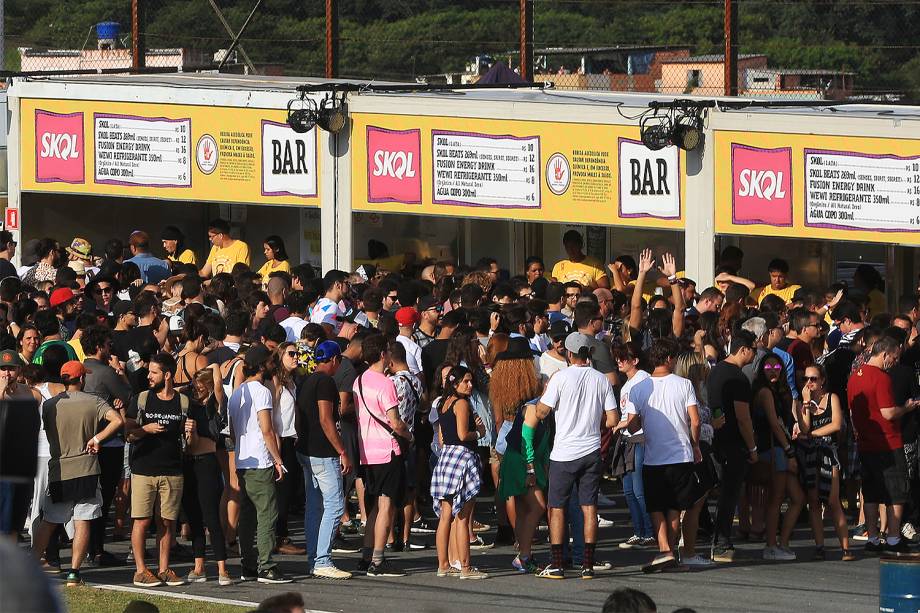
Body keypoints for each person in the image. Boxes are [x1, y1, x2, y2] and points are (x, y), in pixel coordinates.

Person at [30, 360, 123, 588]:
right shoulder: (93, 401)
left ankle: (30, 566)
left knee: (49, 520)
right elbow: (117, 420)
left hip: (60, 468)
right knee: (83, 520)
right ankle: (74, 573)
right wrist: (97, 438)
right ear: (81, 379)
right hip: (87, 468)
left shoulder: (51, 405)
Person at [535, 332, 618, 580]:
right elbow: (613, 419)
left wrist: (544, 396)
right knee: (589, 507)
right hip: (591, 450)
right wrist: (594, 419)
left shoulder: (560, 378)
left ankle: (558, 563)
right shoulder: (601, 380)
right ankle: (588, 564)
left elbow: (541, 412)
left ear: (570, 354)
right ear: (589, 353)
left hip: (564, 452)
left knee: (557, 508)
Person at [620, 338, 708, 572]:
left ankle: (664, 551)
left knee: (656, 506)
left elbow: (630, 425)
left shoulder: (638, 388)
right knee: (675, 508)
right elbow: (696, 421)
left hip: (653, 457)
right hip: (681, 454)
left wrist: (638, 421)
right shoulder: (684, 385)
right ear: (670, 359)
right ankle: (669, 553)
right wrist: (695, 444)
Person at [847, 336, 919, 554]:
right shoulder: (881, 378)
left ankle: (873, 537)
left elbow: (853, 412)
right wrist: (907, 407)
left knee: (871, 493)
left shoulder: (854, 377)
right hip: (887, 442)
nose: (895, 362)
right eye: (894, 357)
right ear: (885, 353)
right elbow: (888, 413)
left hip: (865, 443)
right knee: (896, 492)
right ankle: (894, 537)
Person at [124, 352, 190, 588]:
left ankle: (164, 569)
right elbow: (128, 433)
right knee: (141, 520)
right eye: (149, 372)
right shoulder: (142, 399)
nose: (149, 376)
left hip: (172, 469)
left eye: (154, 372)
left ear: (168, 375)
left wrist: (189, 430)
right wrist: (146, 429)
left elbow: (187, 440)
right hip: (143, 469)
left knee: (167, 522)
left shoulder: (182, 402)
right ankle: (140, 570)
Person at [228, 343, 292, 583]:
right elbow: (267, 429)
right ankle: (266, 565)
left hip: (243, 459)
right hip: (260, 460)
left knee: (247, 514)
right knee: (267, 513)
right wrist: (278, 459)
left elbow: (234, 432)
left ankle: (249, 565)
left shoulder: (237, 393)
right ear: (262, 365)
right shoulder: (261, 391)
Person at [354, 333, 412, 577]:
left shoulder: (358, 381)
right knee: (386, 504)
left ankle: (368, 555)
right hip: (387, 450)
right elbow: (395, 421)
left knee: (375, 505)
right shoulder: (386, 383)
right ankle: (378, 559)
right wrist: (408, 435)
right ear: (382, 355)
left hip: (366, 449)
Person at [295, 340, 354, 579]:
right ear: (334, 360)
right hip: (323, 452)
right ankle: (322, 560)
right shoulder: (325, 382)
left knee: (315, 506)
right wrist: (342, 450)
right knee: (335, 505)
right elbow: (325, 418)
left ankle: (315, 557)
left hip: (307, 450)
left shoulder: (307, 380)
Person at [493, 340, 546, 574]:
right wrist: (531, 468)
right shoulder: (530, 387)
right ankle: (523, 550)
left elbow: (498, 416)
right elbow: (527, 435)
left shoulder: (499, 378)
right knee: (535, 505)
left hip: (507, 436)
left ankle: (522, 549)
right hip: (522, 447)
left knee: (517, 501)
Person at [432, 365, 488, 580]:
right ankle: (465, 567)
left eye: (470, 380)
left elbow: (443, 438)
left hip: (446, 458)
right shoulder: (462, 403)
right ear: (455, 383)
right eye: (465, 381)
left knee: (446, 516)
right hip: (463, 458)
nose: (470, 385)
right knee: (463, 516)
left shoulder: (443, 404)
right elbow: (464, 434)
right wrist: (480, 431)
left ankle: (443, 564)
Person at [708, 330, 758, 563]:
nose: (755, 354)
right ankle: (721, 543)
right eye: (753, 349)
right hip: (733, 443)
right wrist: (752, 448)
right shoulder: (738, 378)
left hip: (717, 440)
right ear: (743, 350)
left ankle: (719, 538)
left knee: (723, 494)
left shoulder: (716, 370)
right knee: (729, 494)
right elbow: (743, 417)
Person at [799, 364, 856, 561]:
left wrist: (813, 434)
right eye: (806, 379)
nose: (809, 383)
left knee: (833, 501)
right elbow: (804, 427)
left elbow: (836, 424)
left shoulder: (832, 398)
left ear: (822, 380)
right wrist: (806, 405)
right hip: (811, 455)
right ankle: (820, 546)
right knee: (814, 502)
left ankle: (846, 548)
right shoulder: (803, 402)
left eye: (813, 379)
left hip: (828, 453)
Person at [184, 364, 233, 584]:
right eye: (195, 386)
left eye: (200, 386)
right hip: (189, 461)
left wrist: (211, 367)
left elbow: (218, 380)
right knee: (194, 516)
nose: (197, 389)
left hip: (207, 462)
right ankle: (199, 566)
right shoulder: (190, 405)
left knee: (211, 516)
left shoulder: (215, 405)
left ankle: (222, 568)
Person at [752, 354, 804, 561]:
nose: (773, 370)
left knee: (797, 498)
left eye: (777, 367)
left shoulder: (780, 391)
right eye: (768, 367)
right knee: (776, 499)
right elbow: (773, 424)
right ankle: (771, 545)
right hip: (774, 450)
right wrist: (789, 451)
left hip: (781, 448)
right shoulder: (764, 392)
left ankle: (782, 543)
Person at [611, 341, 655, 550]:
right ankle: (639, 531)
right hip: (627, 439)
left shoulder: (643, 379)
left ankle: (649, 531)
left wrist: (622, 423)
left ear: (635, 360)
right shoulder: (627, 383)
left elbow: (641, 412)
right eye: (617, 357)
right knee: (628, 490)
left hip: (640, 438)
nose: (619, 361)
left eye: (623, 358)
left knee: (639, 489)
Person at [272, 342, 305, 556]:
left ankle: (280, 534)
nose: (296, 357)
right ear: (281, 356)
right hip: (279, 440)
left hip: (291, 439)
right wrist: (275, 451)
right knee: (281, 492)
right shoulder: (276, 381)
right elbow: (271, 415)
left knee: (288, 491)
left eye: (297, 353)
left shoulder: (292, 381)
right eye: (291, 354)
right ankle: (278, 537)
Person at [311, 270, 349, 337]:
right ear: (338, 285)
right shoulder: (332, 306)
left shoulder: (320, 303)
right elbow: (326, 331)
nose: (349, 286)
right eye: (346, 283)